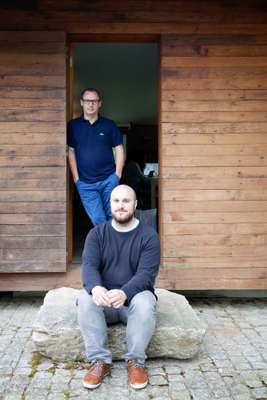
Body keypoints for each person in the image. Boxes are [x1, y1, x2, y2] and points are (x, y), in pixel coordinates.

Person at [78, 184, 160, 390]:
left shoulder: (149, 236)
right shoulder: (97, 234)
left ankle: (135, 362)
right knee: (85, 298)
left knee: (145, 302)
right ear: (110, 204)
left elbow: (146, 274)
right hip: (104, 301)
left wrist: (124, 292)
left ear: (135, 205)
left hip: (132, 300)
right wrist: (97, 288)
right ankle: (100, 362)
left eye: (126, 201)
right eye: (116, 201)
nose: (121, 205)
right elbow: (89, 267)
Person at [67, 88, 125, 225]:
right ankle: (106, 245)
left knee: (113, 215)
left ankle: (114, 246)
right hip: (86, 184)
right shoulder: (73, 126)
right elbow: (70, 151)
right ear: (81, 103)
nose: (91, 104)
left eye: (94, 101)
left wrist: (117, 174)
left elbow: (119, 149)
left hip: (109, 180)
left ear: (100, 103)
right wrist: (76, 179)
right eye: (87, 101)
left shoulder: (109, 125)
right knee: (98, 219)